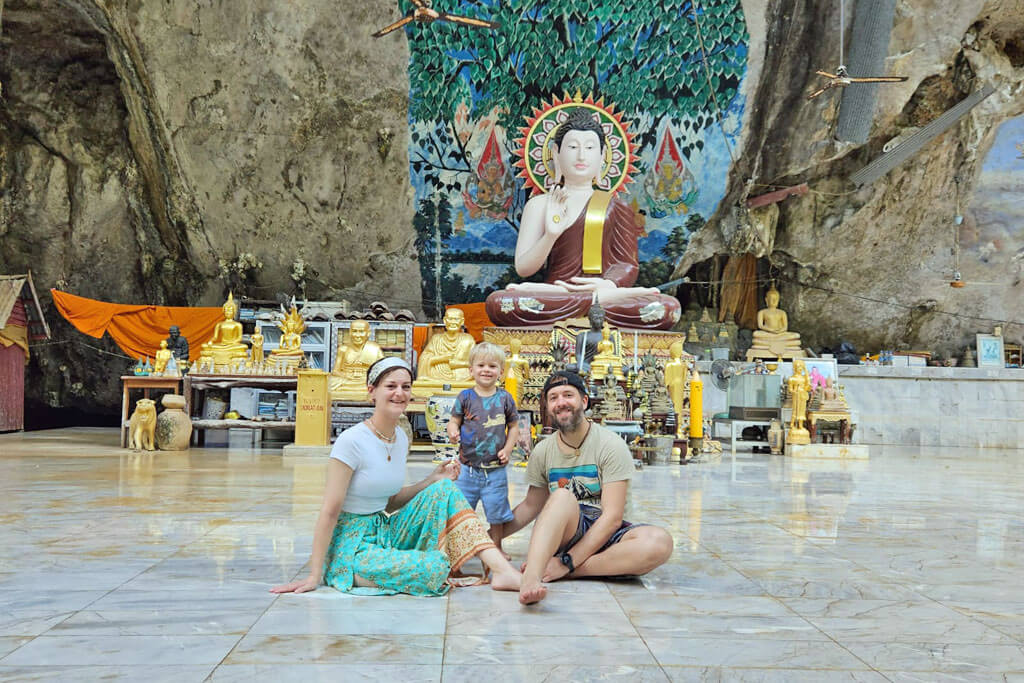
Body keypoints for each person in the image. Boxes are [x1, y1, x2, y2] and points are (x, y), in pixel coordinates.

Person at [271, 357, 522, 596]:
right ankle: (342, 572)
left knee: (445, 490)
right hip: (354, 545)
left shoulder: (400, 437)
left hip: (387, 530)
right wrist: (314, 575)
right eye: (390, 386)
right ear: (372, 391)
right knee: (435, 567)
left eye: (405, 387)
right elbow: (329, 511)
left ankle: (501, 571)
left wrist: (433, 479)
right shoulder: (352, 441)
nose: (399, 393)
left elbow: (389, 501)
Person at [484, 107, 680, 329]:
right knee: (502, 303)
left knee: (665, 307)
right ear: (556, 153)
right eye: (573, 147)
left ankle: (597, 299)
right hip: (554, 296)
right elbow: (524, 269)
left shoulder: (616, 206)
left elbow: (627, 264)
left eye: (589, 147)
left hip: (600, 295)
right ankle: (592, 301)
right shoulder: (539, 205)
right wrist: (551, 234)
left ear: (603, 156)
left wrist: (608, 284)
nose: (581, 155)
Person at [504, 371, 674, 605]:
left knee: (659, 542)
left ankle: (564, 570)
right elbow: (531, 506)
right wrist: (485, 538)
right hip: (567, 529)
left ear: (584, 401)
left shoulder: (610, 444)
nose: (561, 402)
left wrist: (567, 563)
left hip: (605, 532)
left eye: (568, 395)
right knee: (562, 497)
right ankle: (532, 579)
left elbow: (613, 517)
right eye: (553, 398)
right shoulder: (543, 450)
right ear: (547, 406)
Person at [446, 343, 519, 555]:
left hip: (495, 469)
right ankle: (458, 549)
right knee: (460, 511)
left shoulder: (505, 398)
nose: (486, 370)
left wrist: (508, 448)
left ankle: (496, 547)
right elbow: (454, 420)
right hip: (466, 469)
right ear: (471, 370)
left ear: (501, 372)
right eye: (481, 365)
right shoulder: (465, 397)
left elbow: (513, 426)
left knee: (496, 513)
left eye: (492, 366)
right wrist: (453, 431)